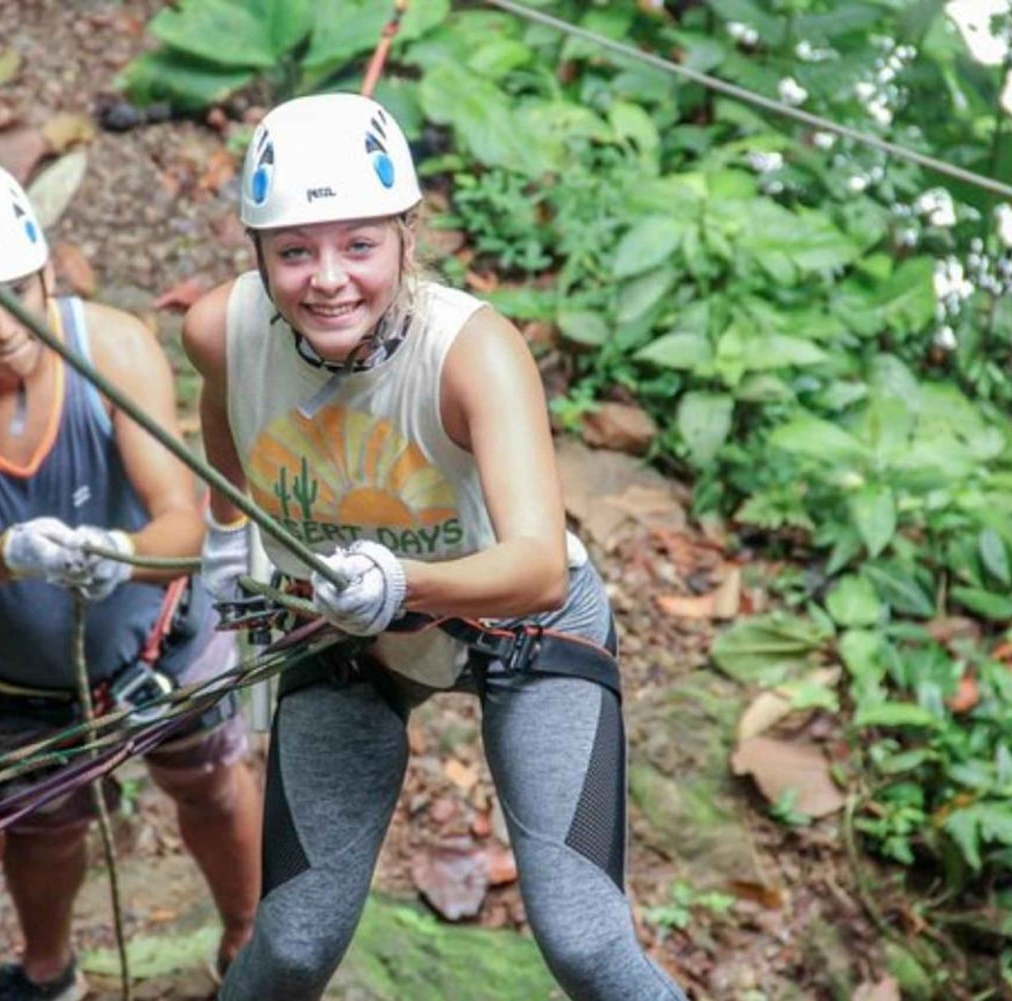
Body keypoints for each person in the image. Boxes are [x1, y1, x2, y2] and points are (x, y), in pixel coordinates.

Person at [183, 94, 687, 1001]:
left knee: (585, 941)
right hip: (339, 628)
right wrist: (229, 547)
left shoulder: (472, 354)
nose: (328, 279)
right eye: (294, 250)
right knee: (292, 945)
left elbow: (536, 566)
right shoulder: (221, 332)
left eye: (360, 245)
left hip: (519, 626)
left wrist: (401, 578)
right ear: (256, 253)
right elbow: (227, 434)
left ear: (408, 238)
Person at [0, 158, 261, 1001]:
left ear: (46, 273)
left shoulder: (111, 346)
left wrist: (124, 553)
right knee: (41, 829)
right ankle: (48, 971)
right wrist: (8, 553)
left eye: (17, 292)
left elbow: (179, 524)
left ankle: (251, 945)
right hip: (15, 679)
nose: (2, 325)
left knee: (214, 783)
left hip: (160, 637)